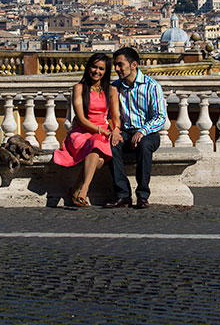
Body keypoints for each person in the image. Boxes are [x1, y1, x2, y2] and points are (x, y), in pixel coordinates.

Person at [53, 53, 120, 207]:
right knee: (97, 144)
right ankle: (84, 190)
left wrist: (116, 130)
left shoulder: (111, 90)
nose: (97, 71)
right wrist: (103, 132)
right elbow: (81, 119)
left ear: (106, 71)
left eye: (101, 68)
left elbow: (116, 116)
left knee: (100, 158)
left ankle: (76, 188)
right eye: (94, 67)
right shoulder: (79, 88)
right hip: (81, 132)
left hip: (102, 132)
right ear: (88, 67)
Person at [106, 47, 166, 209]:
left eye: (120, 65)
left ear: (133, 65)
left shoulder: (152, 86)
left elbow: (160, 117)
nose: (117, 69)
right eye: (115, 65)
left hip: (148, 132)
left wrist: (142, 131)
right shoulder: (115, 87)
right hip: (124, 132)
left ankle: (142, 194)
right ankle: (122, 194)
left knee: (144, 145)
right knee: (110, 146)